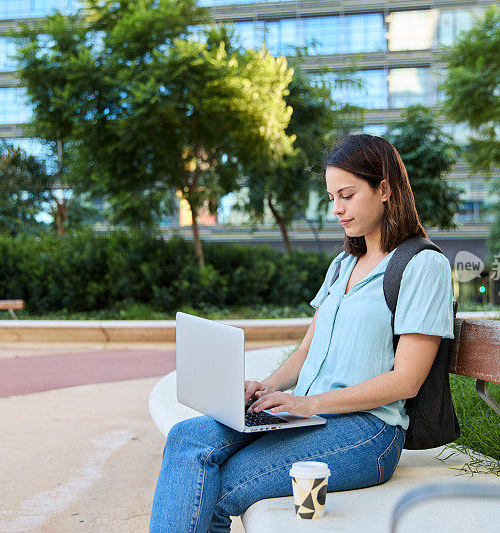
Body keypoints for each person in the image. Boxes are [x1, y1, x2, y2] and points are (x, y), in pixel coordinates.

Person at [149, 134, 455, 533]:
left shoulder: (422, 265)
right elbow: (306, 351)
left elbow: (407, 381)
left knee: (219, 486)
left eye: (346, 195)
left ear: (385, 189)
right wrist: (266, 387)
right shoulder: (344, 265)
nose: (337, 209)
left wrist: (309, 405)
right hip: (308, 416)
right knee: (186, 439)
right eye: (331, 198)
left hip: (368, 432)